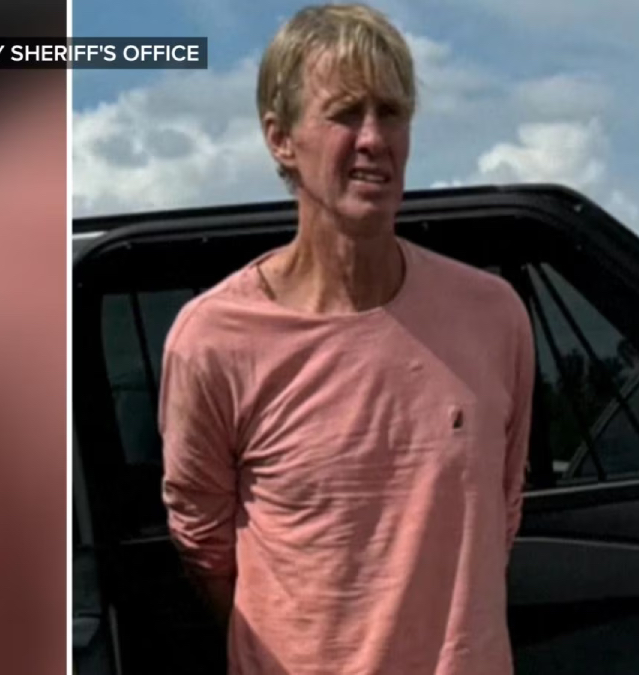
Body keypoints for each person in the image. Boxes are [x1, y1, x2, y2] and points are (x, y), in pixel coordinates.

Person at [158, 4, 534, 673]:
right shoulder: (214, 340)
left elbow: (501, 511)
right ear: (280, 138)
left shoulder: (493, 316)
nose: (373, 138)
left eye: (391, 112)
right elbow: (206, 547)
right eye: (346, 113)